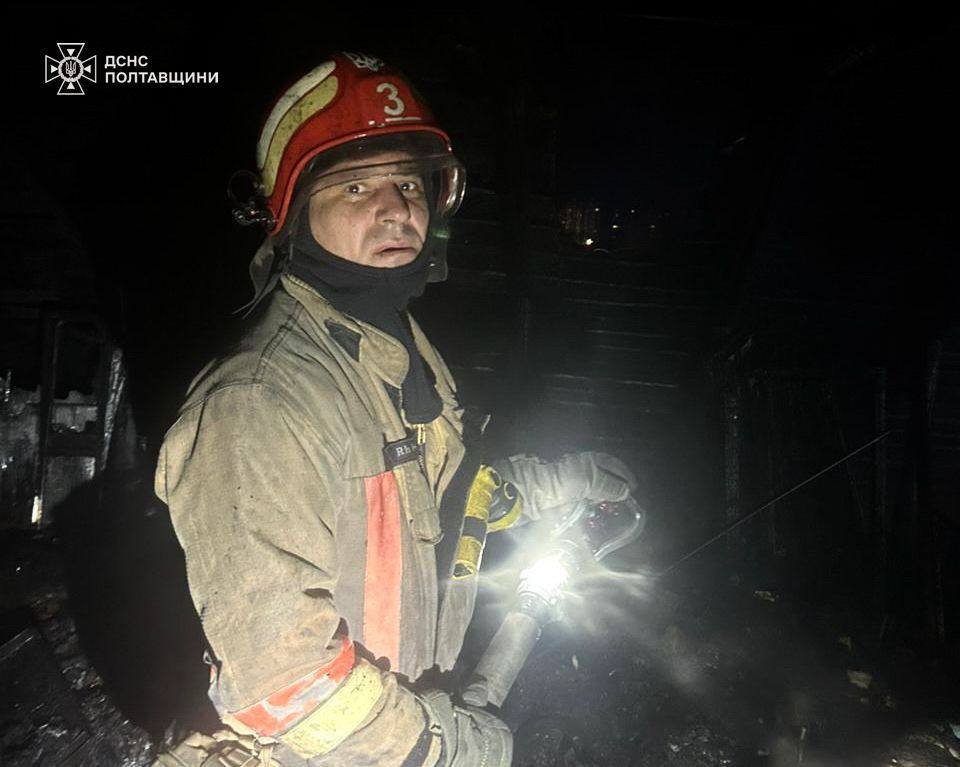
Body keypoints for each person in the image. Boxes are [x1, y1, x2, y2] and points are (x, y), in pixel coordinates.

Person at [154, 51, 638, 767]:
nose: (395, 208)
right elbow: (285, 681)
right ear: (292, 214)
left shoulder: (396, 350)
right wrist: (439, 746)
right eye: (356, 186)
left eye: (408, 183)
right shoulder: (260, 400)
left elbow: (448, 496)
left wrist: (559, 483)